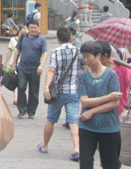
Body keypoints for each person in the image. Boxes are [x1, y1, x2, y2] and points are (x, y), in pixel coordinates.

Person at [76, 40, 122, 169]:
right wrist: (108, 97)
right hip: (87, 127)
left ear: (98, 56)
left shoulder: (111, 75)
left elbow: (115, 102)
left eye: (88, 56)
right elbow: (85, 101)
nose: (85, 60)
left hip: (109, 126)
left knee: (110, 164)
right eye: (83, 56)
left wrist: (91, 111)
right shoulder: (82, 76)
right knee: (85, 163)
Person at [38, 26, 81, 161]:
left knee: (51, 119)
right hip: (74, 91)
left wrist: (46, 87)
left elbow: (51, 70)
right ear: (70, 37)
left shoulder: (56, 52)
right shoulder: (78, 51)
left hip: (58, 92)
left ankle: (44, 146)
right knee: (73, 121)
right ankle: (76, 148)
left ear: (58, 39)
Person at [12, 20, 49, 119]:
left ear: (38, 28)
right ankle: (22, 110)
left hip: (35, 69)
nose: (33, 30)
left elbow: (45, 53)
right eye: (31, 28)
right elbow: (17, 51)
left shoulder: (42, 40)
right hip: (22, 68)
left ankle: (31, 112)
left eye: (35, 28)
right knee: (21, 88)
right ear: (27, 28)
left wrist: (41, 66)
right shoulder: (23, 37)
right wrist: (13, 64)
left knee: (34, 91)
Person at [100, 40, 131, 116]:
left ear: (105, 56)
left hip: (118, 111)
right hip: (100, 111)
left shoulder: (123, 69)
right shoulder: (95, 70)